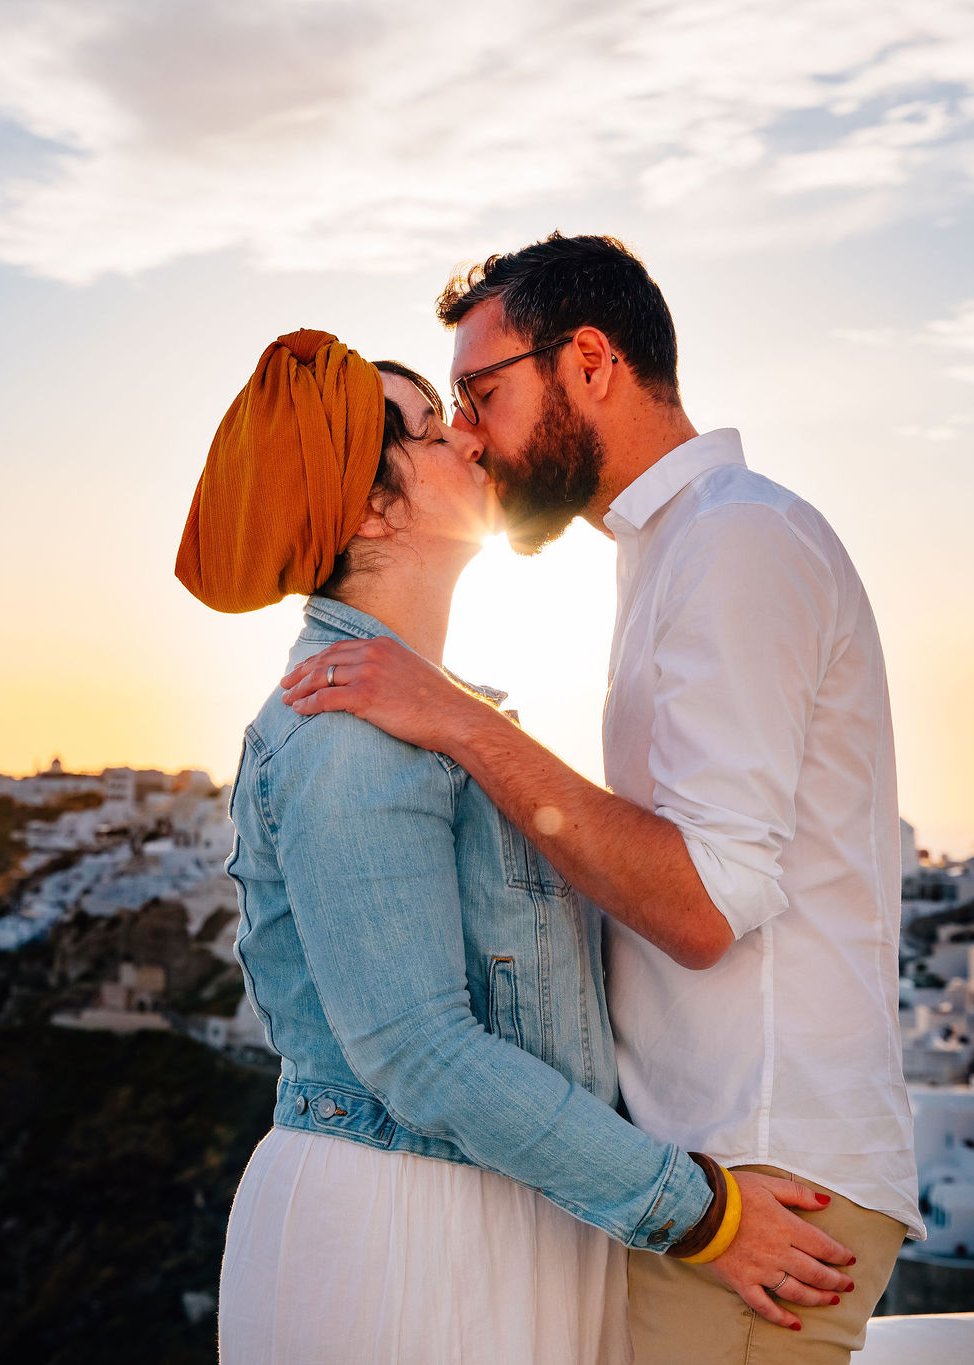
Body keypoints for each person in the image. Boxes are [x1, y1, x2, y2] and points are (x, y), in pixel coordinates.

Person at [279, 235, 923, 1364]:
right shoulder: (676, 549)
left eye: (479, 394)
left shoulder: (733, 540)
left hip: (764, 1180)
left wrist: (454, 720)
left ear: (586, 360)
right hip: (713, 1173)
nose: (468, 433)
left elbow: (701, 905)